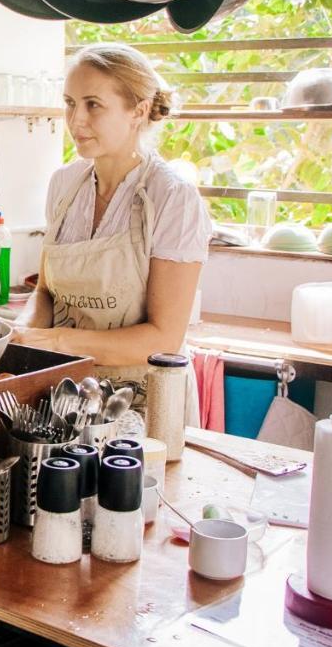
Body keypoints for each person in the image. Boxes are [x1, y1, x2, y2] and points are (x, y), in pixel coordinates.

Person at [14, 42, 212, 429]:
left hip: (144, 407)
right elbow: (46, 293)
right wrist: (21, 335)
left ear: (138, 110)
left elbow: (163, 337)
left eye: (93, 105)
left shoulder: (172, 197)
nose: (76, 120)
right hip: (68, 398)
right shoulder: (64, 185)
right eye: (70, 103)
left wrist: (55, 342)